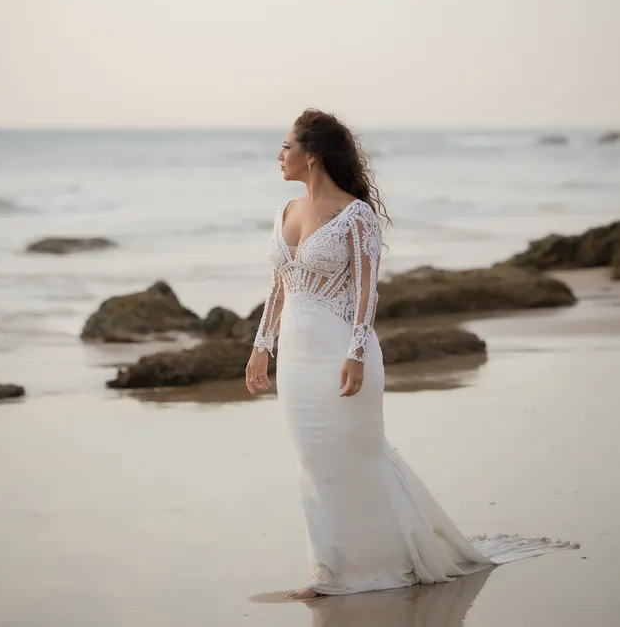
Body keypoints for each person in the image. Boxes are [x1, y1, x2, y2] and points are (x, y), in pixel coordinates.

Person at [245, 109, 577, 600]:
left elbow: (366, 292)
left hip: (341, 352)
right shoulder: (285, 213)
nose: (280, 155)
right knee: (314, 462)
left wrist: (356, 352)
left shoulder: (355, 215)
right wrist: (260, 348)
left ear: (311, 155)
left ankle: (362, 567)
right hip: (295, 358)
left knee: (357, 456)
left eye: (287, 146)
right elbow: (279, 288)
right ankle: (332, 567)